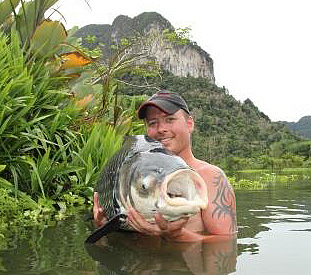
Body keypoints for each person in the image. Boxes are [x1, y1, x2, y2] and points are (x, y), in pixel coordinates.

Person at [93, 90, 237, 242]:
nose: (161, 129)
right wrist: (104, 227)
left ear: (189, 124)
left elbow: (226, 244)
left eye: (170, 119)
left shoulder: (211, 177)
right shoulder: (135, 174)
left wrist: (175, 234)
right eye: (153, 123)